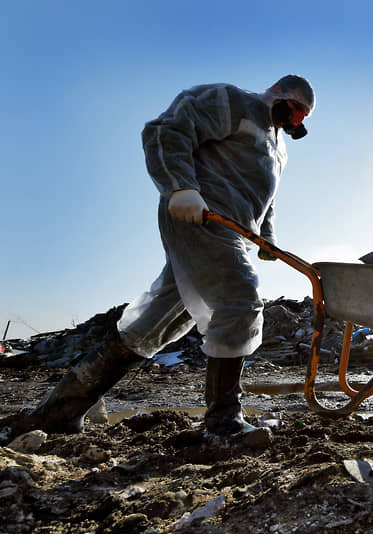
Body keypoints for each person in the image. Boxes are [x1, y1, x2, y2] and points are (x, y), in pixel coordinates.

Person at [16, 75, 316, 437]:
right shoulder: (233, 101)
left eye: (304, 118)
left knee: (156, 323)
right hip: (202, 214)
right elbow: (167, 129)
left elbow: (262, 195)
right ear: (280, 93)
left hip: (235, 230)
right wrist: (181, 187)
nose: (297, 120)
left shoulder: (277, 146)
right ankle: (223, 423)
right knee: (240, 298)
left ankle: (61, 410)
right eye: (298, 109)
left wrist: (266, 236)